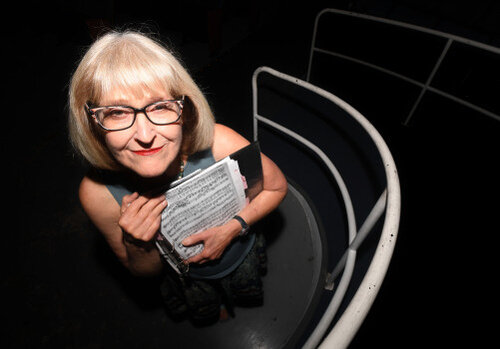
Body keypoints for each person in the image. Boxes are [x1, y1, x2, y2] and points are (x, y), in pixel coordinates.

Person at [68, 30, 287, 323]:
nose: (145, 136)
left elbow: (276, 188)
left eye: (159, 107)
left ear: (183, 109)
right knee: (209, 313)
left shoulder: (220, 143)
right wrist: (137, 243)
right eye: (117, 112)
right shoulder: (96, 193)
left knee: (249, 297)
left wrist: (232, 229)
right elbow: (143, 273)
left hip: (239, 252)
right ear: (94, 123)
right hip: (187, 279)